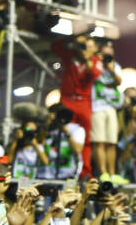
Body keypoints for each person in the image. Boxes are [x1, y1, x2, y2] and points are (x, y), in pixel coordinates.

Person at [51, 33, 101, 178]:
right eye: (83, 46)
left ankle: (85, 170)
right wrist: (73, 38)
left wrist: (87, 58)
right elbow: (54, 46)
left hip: (84, 102)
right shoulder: (70, 55)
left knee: (85, 139)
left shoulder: (95, 60)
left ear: (95, 49)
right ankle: (64, 167)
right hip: (67, 100)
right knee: (65, 133)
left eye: (88, 47)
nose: (84, 49)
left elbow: (93, 74)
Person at [91, 39, 125, 183]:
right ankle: (103, 173)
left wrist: (110, 69)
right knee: (99, 141)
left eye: (110, 55)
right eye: (105, 55)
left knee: (112, 142)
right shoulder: (94, 64)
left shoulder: (115, 66)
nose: (107, 58)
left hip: (111, 107)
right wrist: (99, 62)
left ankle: (112, 174)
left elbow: (119, 82)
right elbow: (91, 76)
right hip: (97, 106)